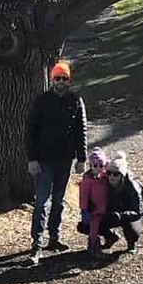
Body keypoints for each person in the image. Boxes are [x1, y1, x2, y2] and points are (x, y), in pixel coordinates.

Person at [25, 59, 88, 264]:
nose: (60, 82)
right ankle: (36, 244)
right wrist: (31, 159)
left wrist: (82, 158)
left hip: (65, 160)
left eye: (64, 78)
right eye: (57, 78)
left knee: (59, 202)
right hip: (43, 161)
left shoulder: (76, 101)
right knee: (42, 202)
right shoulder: (41, 101)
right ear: (51, 80)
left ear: (69, 81)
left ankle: (55, 237)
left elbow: (81, 131)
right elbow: (30, 132)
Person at [101, 152, 143, 254]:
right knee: (95, 219)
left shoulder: (133, 188)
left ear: (122, 175)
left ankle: (132, 243)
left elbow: (137, 212)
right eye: (109, 173)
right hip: (115, 211)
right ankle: (110, 237)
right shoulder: (105, 184)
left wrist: (121, 215)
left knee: (130, 223)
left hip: (134, 216)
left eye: (116, 174)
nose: (111, 177)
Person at [77, 148, 109, 264]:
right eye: (95, 165)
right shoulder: (87, 181)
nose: (98, 168)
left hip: (103, 208)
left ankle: (102, 242)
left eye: (101, 165)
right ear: (90, 165)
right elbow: (83, 196)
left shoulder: (104, 177)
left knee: (102, 226)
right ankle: (93, 247)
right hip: (93, 210)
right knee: (94, 229)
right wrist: (84, 209)